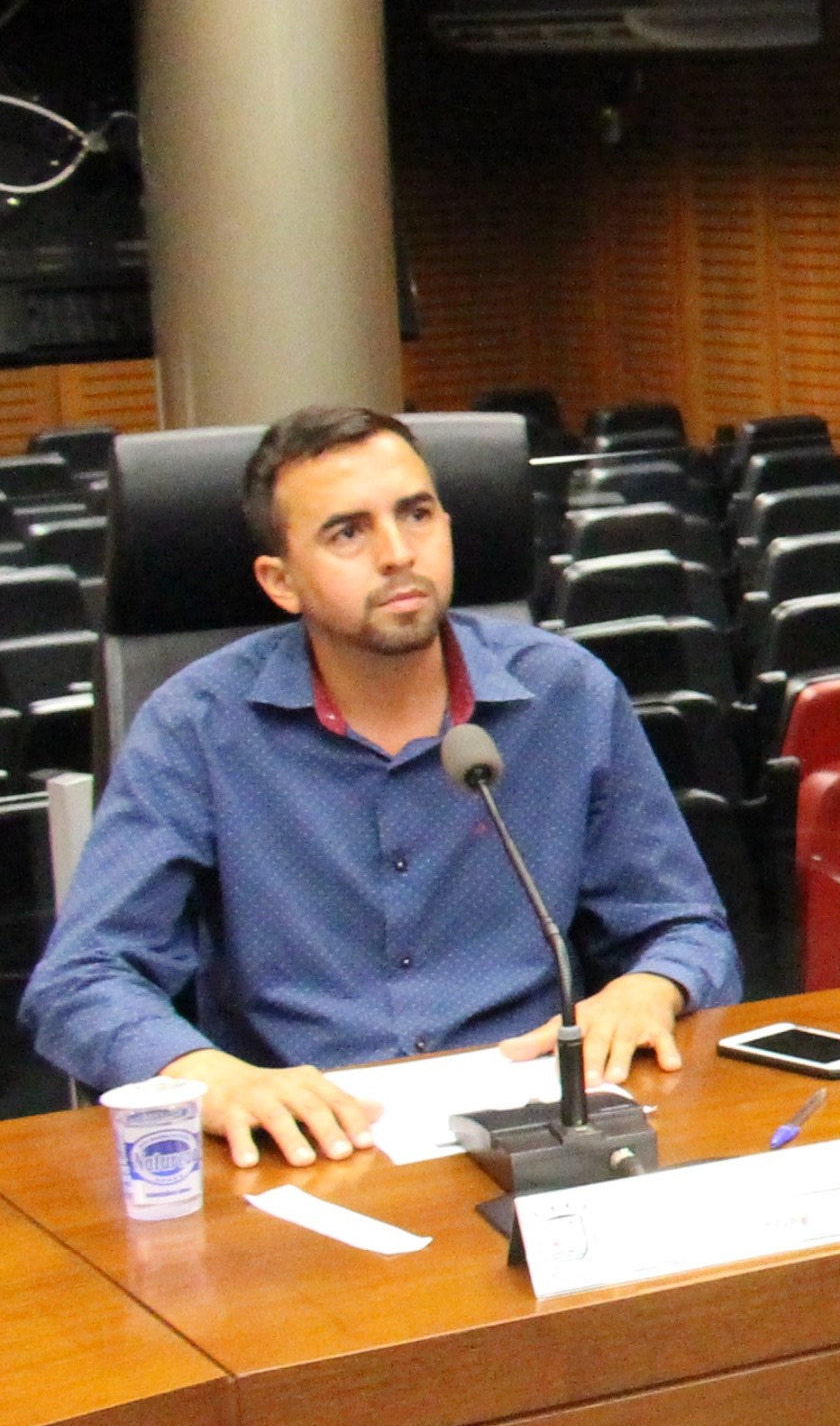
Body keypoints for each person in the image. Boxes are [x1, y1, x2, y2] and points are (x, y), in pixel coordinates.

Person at [21, 406, 741, 1166]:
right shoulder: (196, 726)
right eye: (347, 533)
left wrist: (649, 987)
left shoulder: (567, 694)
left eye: (417, 514)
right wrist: (211, 1078)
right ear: (281, 582)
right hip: (307, 1150)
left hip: (539, 1125)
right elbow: (81, 980)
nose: (398, 553)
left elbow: (686, 925)